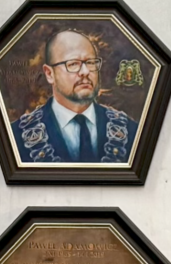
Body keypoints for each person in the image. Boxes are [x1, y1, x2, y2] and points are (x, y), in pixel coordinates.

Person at [10, 29, 136, 164]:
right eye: (73, 64)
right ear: (49, 74)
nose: (85, 72)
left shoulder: (130, 132)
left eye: (91, 62)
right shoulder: (16, 138)